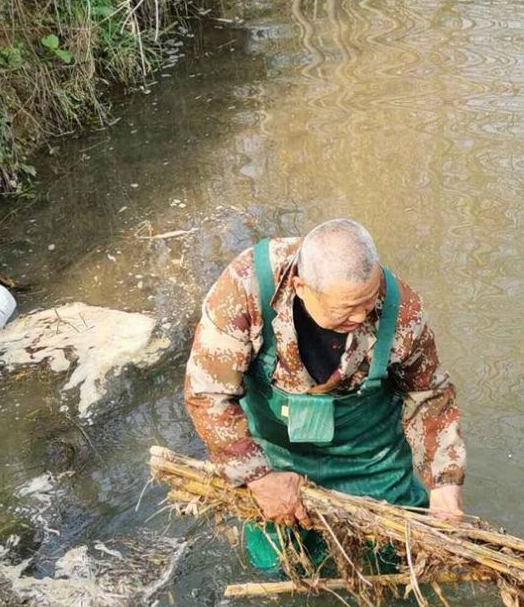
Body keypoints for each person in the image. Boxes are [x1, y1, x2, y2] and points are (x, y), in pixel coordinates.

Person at [184, 219, 466, 573]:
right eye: (347, 309)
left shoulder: (402, 310)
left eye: (368, 301)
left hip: (370, 456)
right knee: (275, 561)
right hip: (276, 453)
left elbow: (429, 397)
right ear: (301, 287)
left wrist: (444, 482)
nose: (363, 315)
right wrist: (257, 476)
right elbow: (207, 393)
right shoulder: (246, 289)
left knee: (401, 559)